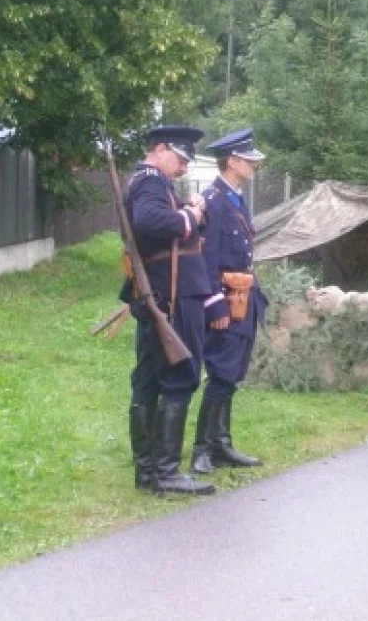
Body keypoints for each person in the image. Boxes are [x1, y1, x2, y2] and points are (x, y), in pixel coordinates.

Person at [123, 126, 215, 496]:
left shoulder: (149, 181)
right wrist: (190, 216)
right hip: (172, 294)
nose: (181, 168)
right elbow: (151, 223)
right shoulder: (150, 182)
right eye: (179, 159)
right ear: (160, 150)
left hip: (161, 293)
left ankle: (149, 473)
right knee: (179, 376)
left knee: (147, 380)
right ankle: (166, 472)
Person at [189, 128, 269, 475]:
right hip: (226, 297)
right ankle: (202, 450)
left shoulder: (234, 197)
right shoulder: (215, 200)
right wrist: (215, 303)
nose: (253, 166)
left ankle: (221, 444)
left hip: (243, 295)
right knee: (221, 373)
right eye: (248, 160)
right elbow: (205, 258)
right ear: (232, 161)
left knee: (232, 374)